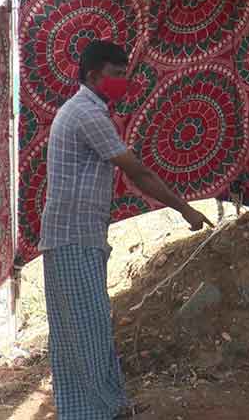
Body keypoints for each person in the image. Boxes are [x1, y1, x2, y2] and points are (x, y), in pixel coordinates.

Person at [39, 40, 214, 419]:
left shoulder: (85, 110)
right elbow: (139, 173)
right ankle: (94, 411)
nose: (123, 82)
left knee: (89, 325)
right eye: (116, 75)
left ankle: (109, 406)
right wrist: (185, 210)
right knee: (84, 329)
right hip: (73, 236)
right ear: (92, 76)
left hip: (78, 234)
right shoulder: (87, 114)